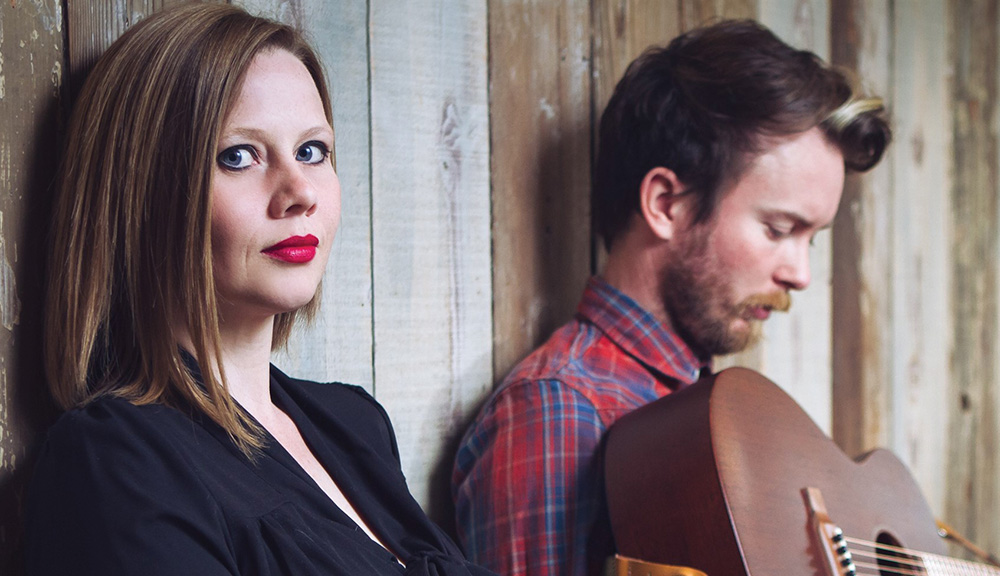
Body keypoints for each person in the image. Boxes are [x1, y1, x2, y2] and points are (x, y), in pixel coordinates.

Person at [25, 5, 494, 575]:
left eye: (311, 151)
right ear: (141, 197)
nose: (300, 192)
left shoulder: (355, 423)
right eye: (238, 157)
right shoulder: (113, 461)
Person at [452, 19, 892, 576]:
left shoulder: (707, 410)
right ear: (666, 204)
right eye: (779, 229)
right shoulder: (558, 413)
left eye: (812, 238)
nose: (800, 274)